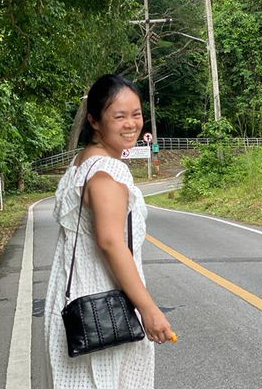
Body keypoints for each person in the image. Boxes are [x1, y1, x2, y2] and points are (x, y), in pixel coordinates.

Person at [44, 74, 172, 389]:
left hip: (73, 303)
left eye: (136, 114)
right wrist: (149, 309)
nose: (131, 124)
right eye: (119, 116)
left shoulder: (81, 163)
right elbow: (112, 242)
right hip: (105, 312)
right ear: (95, 121)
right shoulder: (108, 171)